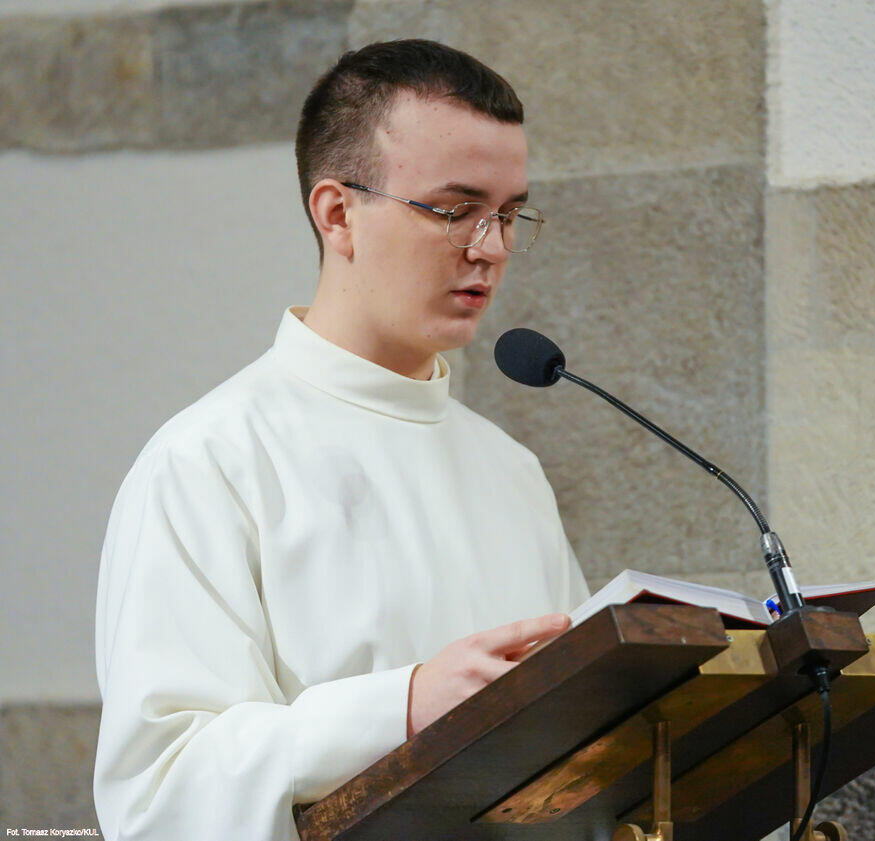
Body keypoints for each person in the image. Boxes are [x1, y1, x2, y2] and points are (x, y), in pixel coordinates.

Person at [93, 40, 589, 841]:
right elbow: (159, 794)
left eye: (508, 214)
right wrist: (402, 706)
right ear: (337, 213)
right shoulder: (210, 461)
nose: (491, 248)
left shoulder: (510, 469)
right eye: (455, 209)